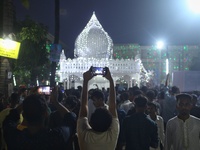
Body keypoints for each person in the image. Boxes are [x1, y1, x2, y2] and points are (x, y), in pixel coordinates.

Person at [3, 87, 76, 150]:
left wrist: (28, 101)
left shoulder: (14, 137)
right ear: (46, 114)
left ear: (23, 115)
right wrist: (56, 102)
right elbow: (71, 118)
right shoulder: (56, 138)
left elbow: (9, 119)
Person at [77, 67, 119, 150]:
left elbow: (83, 107)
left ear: (90, 123)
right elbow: (112, 107)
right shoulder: (112, 135)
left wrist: (85, 81)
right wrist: (110, 80)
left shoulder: (85, 136)